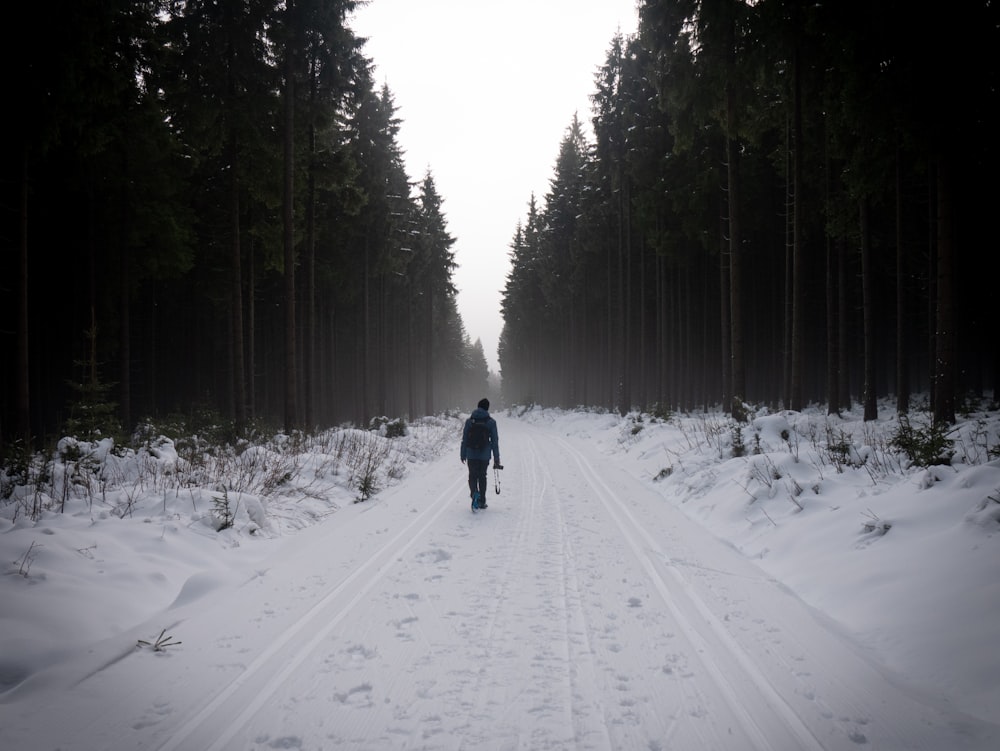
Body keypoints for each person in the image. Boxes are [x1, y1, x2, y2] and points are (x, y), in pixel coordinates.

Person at [460, 398, 501, 510]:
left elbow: (464, 439)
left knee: (472, 475)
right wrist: (496, 458)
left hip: (471, 454)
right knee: (482, 476)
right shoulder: (491, 422)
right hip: (484, 454)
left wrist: (463, 454)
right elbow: (494, 441)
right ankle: (482, 501)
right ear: (487, 408)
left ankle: (474, 494)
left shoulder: (469, 421)